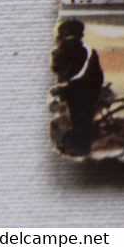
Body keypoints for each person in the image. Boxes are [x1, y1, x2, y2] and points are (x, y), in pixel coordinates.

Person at [51, 18, 104, 156]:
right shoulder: (81, 50)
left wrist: (65, 85)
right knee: (77, 119)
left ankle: (80, 147)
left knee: (80, 120)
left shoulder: (74, 51)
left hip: (83, 91)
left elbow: (66, 73)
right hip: (81, 90)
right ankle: (77, 143)